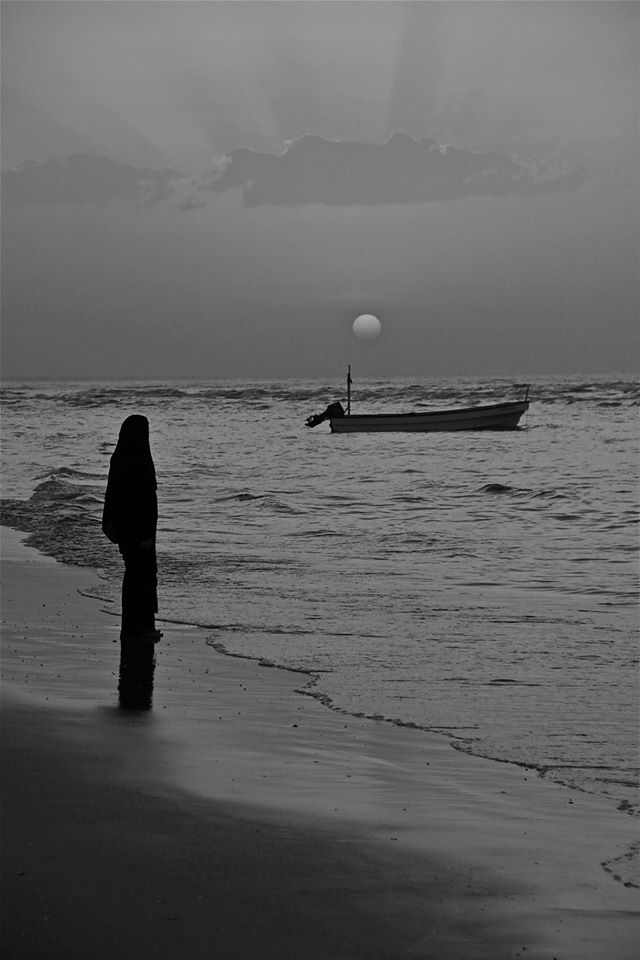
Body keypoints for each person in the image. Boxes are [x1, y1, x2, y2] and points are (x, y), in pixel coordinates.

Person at [102, 415, 161, 642]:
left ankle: (137, 626)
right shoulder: (136, 462)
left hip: (131, 530)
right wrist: (143, 536)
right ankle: (137, 628)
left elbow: (113, 498)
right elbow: (137, 502)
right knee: (140, 577)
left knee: (137, 576)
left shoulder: (121, 458)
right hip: (138, 531)